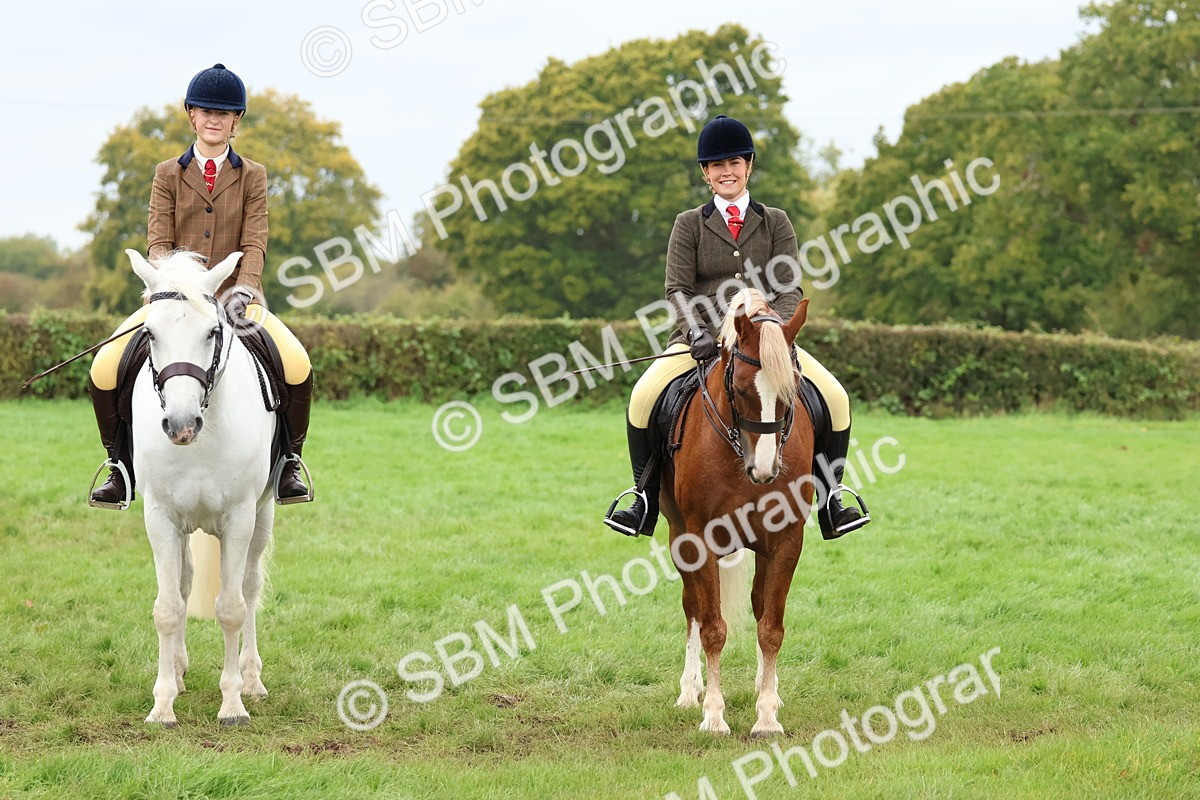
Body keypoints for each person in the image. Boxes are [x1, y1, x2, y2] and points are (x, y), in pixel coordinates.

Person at [603, 115, 869, 540]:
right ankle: (644, 498)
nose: (726, 171)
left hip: (767, 342)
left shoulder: (776, 221)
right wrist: (696, 334)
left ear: (748, 166)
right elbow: (677, 288)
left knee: (836, 397)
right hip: (702, 341)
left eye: (734, 162)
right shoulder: (688, 223)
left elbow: (789, 286)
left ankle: (832, 498)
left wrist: (774, 332)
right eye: (716, 165)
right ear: (706, 174)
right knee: (642, 397)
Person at [87, 63, 313, 508]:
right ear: (191, 115)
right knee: (103, 367)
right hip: (173, 299)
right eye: (206, 111)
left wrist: (245, 287)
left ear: (237, 121)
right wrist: (166, 286)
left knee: (297, 364)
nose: (215, 119)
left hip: (232, 299)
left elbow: (254, 238)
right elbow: (158, 240)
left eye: (225, 113)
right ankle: (118, 466)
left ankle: (288, 461)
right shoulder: (167, 173)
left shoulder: (253, 175)